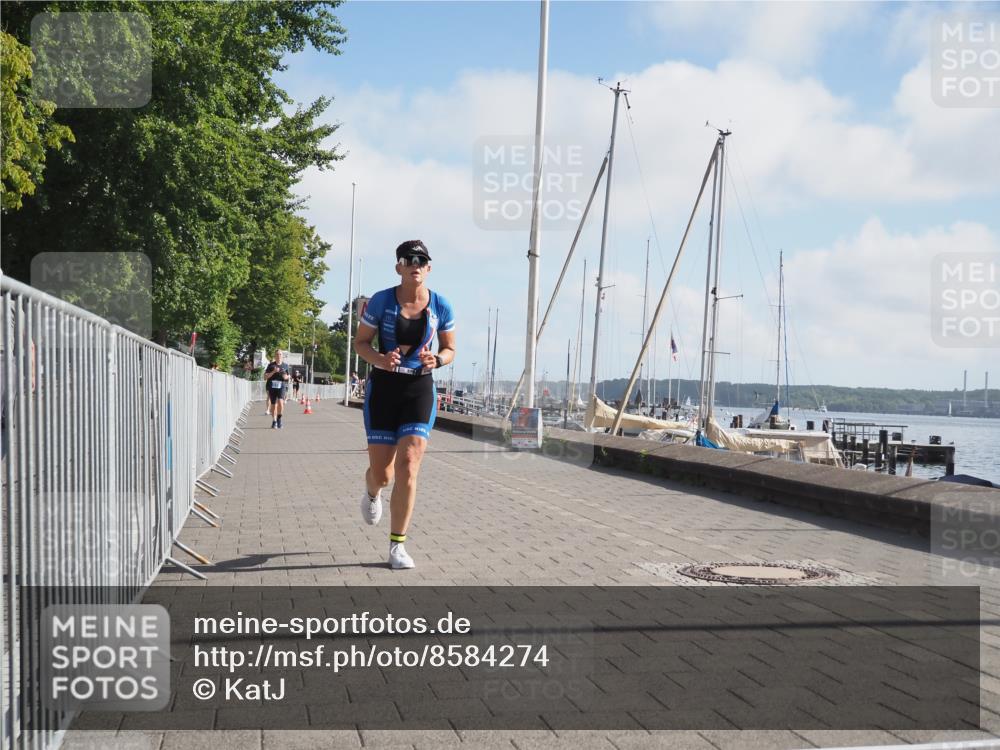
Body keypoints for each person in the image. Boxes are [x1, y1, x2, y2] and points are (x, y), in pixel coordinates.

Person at [353, 240, 456, 570]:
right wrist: (381, 359)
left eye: (421, 259)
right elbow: (361, 343)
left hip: (418, 389)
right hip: (384, 388)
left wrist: (437, 359)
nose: (415, 263)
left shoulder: (441, 305)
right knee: (382, 475)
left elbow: (450, 349)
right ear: (398, 267)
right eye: (408, 259)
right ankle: (372, 493)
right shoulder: (382, 301)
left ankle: (397, 546)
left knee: (409, 464)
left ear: (428, 268)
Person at [264, 350, 291, 429]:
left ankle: (279, 419)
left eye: (280, 354)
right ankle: (274, 421)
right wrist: (273, 372)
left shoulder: (285, 365)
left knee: (281, 402)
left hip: (281, 386)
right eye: (277, 354)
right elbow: (265, 377)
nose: (278, 355)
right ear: (275, 356)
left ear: (282, 356)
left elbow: (288, 376)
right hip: (272, 386)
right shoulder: (271, 365)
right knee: (273, 405)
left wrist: (285, 376)